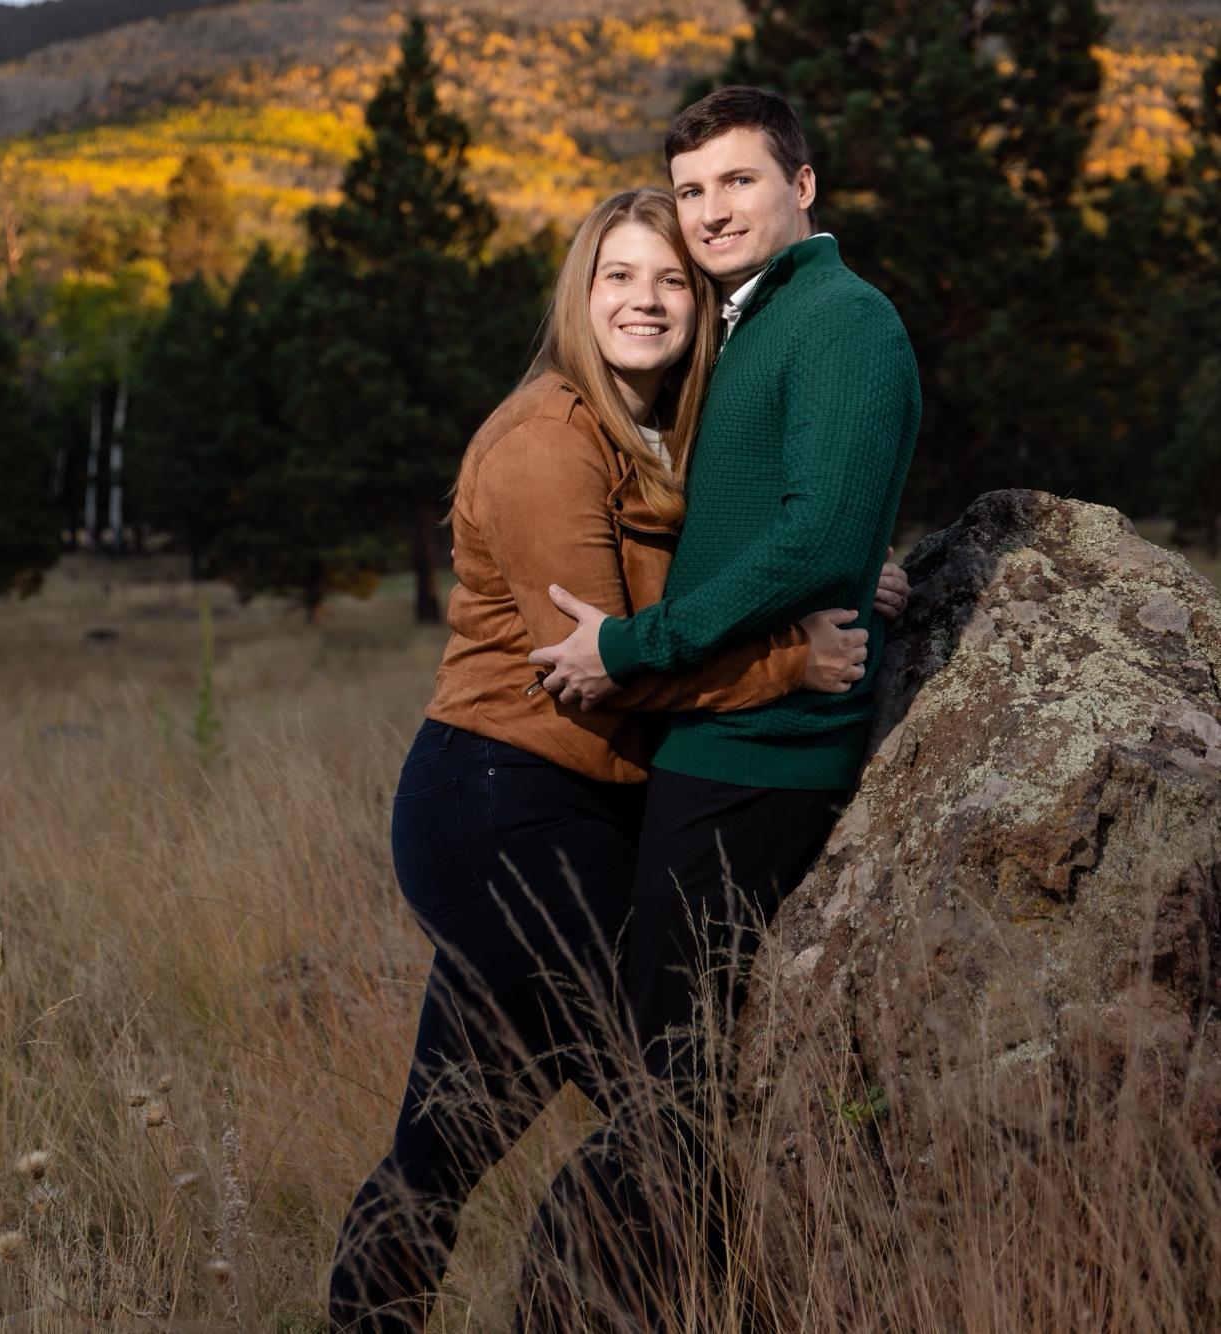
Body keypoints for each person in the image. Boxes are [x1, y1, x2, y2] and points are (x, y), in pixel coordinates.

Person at [326, 185, 908, 1332]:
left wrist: (843, 563)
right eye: (617, 277)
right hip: (498, 801)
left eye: (668, 280)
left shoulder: (668, 437)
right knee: (668, 1092)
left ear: (699, 302)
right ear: (578, 296)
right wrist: (785, 662)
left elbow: (736, 560)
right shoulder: (545, 442)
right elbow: (602, 668)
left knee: (446, 1137)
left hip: (578, 806)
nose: (644, 300)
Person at [525, 87, 922, 1324]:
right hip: (711, 738)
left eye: (736, 182)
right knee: (669, 1060)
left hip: (761, 756)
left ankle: (618, 1304)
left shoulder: (842, 320)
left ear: (801, 186)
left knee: (666, 1071)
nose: (707, 211)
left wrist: (632, 645)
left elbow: (813, 539)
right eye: (690, 189)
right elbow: (796, 516)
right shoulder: (751, 325)